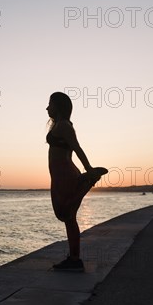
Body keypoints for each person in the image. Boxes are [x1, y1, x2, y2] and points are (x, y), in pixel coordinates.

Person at [46, 92, 108, 272]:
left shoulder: (64, 126)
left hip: (65, 173)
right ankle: (74, 259)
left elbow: (77, 148)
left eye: (50, 104)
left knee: (67, 214)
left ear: (58, 106)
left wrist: (88, 167)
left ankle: (74, 260)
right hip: (59, 176)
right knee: (67, 216)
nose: (47, 108)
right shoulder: (57, 125)